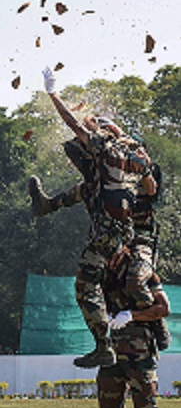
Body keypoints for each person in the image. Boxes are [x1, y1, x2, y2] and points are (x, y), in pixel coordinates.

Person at [42, 67, 156, 368]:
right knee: (118, 285)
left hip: (106, 232)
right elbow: (151, 188)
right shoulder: (139, 157)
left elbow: (73, 124)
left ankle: (103, 345)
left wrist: (53, 93)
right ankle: (146, 327)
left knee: (86, 285)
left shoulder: (107, 148)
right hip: (125, 231)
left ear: (109, 132)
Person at [29, 151, 171, 350]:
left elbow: (150, 187)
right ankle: (48, 205)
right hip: (116, 239)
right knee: (90, 285)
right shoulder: (111, 180)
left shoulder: (144, 173)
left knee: (136, 280)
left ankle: (157, 324)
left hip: (140, 241)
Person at [79, 247, 170, 408]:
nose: (107, 256)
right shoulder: (100, 271)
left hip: (139, 352)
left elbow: (163, 308)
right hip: (111, 351)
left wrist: (131, 315)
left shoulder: (140, 270)